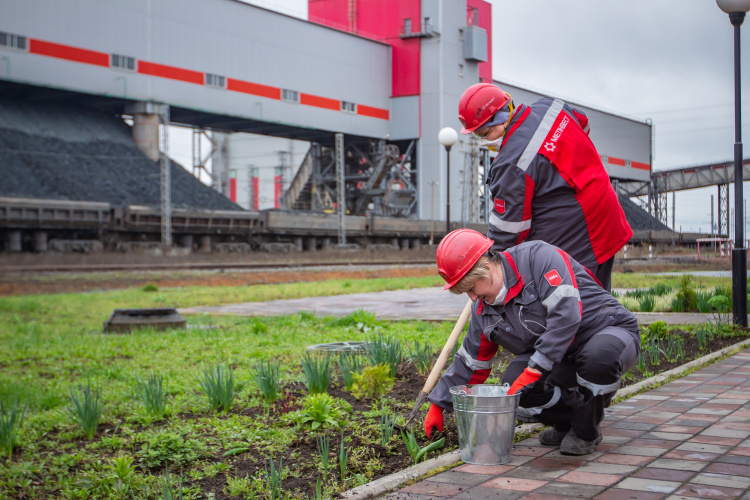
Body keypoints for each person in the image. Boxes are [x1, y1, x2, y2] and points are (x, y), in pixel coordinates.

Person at [423, 229, 640, 456]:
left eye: (470, 288)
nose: (473, 299)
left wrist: (535, 368)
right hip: (562, 355)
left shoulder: (538, 258)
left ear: (486, 269)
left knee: (599, 359)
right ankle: (569, 421)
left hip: (607, 330)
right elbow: (471, 362)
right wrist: (439, 404)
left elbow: (566, 315)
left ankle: (586, 430)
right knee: (513, 383)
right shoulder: (483, 310)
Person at [457, 83, 633, 291]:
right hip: (606, 216)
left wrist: (489, 264)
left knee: (578, 307)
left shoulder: (511, 162)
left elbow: (508, 231)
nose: (484, 141)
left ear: (501, 118)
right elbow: (583, 123)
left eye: (484, 133)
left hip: (580, 238)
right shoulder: (551, 108)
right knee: (599, 298)